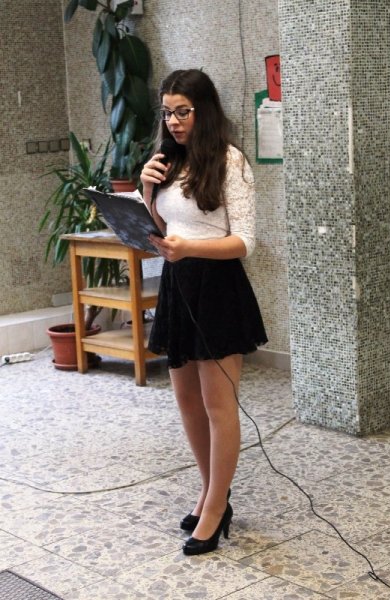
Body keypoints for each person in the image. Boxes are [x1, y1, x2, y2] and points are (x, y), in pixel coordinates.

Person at [140, 69, 267, 556]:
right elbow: (162, 227)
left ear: (204, 110)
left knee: (218, 404)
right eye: (167, 112)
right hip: (178, 283)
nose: (173, 121)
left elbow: (245, 242)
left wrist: (188, 248)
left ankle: (215, 507)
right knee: (187, 401)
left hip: (216, 285)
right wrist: (147, 194)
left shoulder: (229, 160)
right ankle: (211, 491)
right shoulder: (167, 161)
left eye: (183, 111)